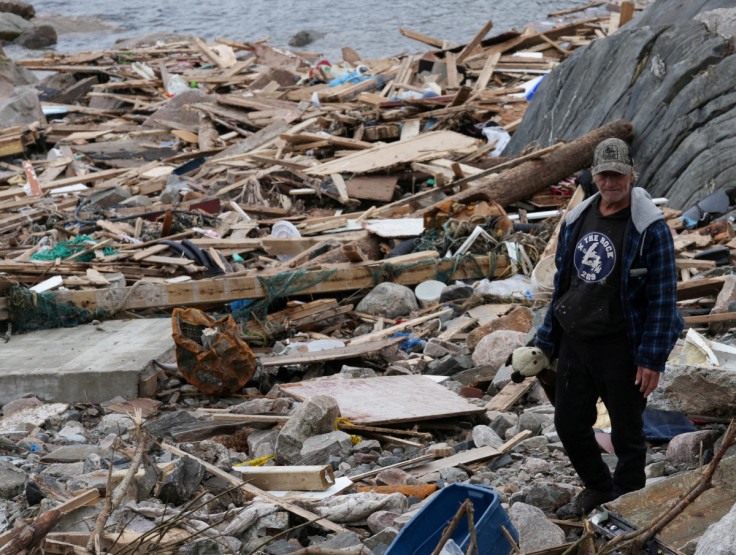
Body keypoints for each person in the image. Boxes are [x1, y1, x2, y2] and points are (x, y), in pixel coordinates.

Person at [535, 137, 684, 515]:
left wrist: (652, 359)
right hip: (576, 341)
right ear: (593, 176)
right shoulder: (576, 219)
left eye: (618, 173)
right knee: (569, 425)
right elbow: (563, 284)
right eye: (603, 174)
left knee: (628, 435)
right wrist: (544, 342)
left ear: (632, 173)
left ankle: (629, 502)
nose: (610, 181)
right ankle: (600, 488)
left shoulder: (650, 227)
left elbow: (664, 299)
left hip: (622, 345)